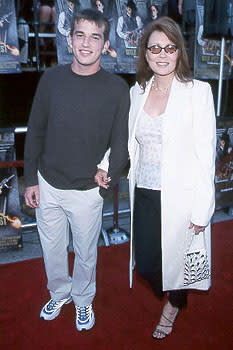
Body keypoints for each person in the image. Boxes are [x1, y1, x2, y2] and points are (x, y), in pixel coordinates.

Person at [97, 16, 216, 340]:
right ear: (146, 54)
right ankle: (176, 292)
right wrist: (107, 164)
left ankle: (173, 305)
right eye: (155, 48)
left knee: (179, 261)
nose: (162, 55)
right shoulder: (137, 92)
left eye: (169, 48)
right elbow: (124, 138)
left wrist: (202, 209)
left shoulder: (198, 92)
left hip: (182, 195)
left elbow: (207, 155)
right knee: (148, 264)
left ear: (179, 52)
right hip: (145, 191)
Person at [24, 9, 129, 332]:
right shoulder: (51, 78)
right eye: (80, 35)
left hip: (87, 192)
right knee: (52, 249)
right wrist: (30, 180)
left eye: (95, 37)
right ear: (69, 41)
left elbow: (121, 143)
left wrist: (109, 174)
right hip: (49, 184)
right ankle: (60, 293)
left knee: (85, 255)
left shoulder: (117, 89)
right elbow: (36, 130)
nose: (86, 43)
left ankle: (83, 300)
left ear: (106, 44)